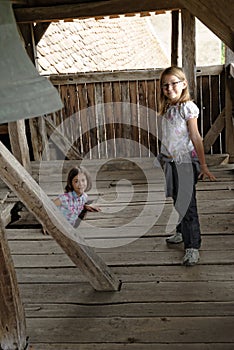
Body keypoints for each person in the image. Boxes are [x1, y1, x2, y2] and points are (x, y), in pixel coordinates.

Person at [157, 66, 216, 266]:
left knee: (188, 204)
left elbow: (195, 136)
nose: (169, 87)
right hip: (170, 161)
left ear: (183, 84)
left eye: (174, 83)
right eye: (165, 85)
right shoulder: (167, 108)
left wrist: (204, 165)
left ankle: (193, 246)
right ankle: (182, 232)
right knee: (177, 200)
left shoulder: (187, 108)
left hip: (184, 163)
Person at [42, 166, 100, 233]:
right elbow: (48, 207)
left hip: (69, 227)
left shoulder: (84, 197)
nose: (80, 184)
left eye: (83, 180)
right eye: (76, 181)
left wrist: (86, 206)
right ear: (71, 183)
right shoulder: (65, 198)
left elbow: (78, 205)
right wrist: (46, 223)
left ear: (87, 180)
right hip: (57, 225)